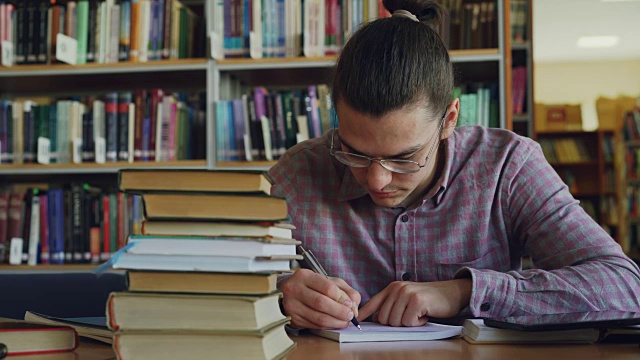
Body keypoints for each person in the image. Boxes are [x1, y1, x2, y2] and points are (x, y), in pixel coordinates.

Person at [269, 0, 640, 330]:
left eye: (404, 158)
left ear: (449, 119)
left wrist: (465, 292)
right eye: (354, 152)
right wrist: (280, 295)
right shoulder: (299, 173)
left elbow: (624, 287)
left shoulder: (507, 167)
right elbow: (221, 282)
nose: (377, 179)